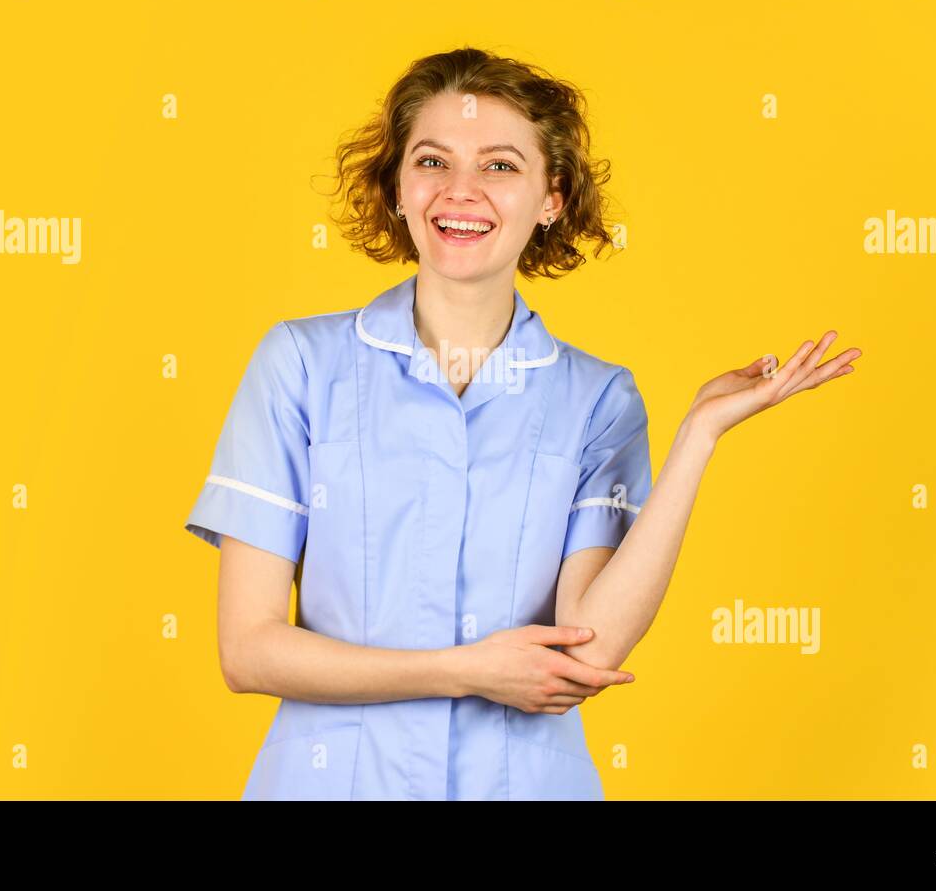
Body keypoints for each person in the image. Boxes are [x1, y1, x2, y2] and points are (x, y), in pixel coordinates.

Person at [184, 47, 863, 800]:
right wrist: (464, 669)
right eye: (432, 161)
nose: (461, 191)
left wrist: (698, 435)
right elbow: (247, 650)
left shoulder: (598, 398)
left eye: (501, 165)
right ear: (397, 188)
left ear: (552, 198)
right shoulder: (299, 365)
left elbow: (589, 648)